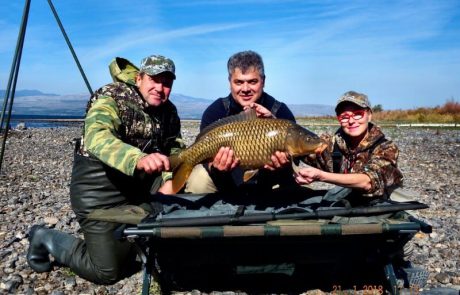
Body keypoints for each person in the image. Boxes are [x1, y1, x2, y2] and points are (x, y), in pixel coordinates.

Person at [26, 55, 185, 284]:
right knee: (106, 272)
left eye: (166, 83)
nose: (160, 88)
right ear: (139, 78)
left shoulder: (168, 111)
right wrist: (137, 159)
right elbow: (97, 136)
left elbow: (175, 148)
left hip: (139, 188)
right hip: (99, 192)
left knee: (189, 188)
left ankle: (142, 236)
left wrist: (171, 179)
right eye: (154, 80)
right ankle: (45, 237)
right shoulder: (111, 96)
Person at [185, 50, 300, 194]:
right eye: (239, 82)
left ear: (263, 81)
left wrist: (284, 163)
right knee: (199, 178)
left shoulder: (280, 111)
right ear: (230, 83)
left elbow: (297, 157)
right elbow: (205, 160)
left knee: (291, 180)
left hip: (268, 184)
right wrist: (214, 165)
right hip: (225, 183)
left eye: (252, 82)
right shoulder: (215, 111)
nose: (245, 89)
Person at [294, 91, 403, 201]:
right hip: (347, 200)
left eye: (358, 114)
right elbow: (299, 147)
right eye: (345, 117)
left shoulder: (386, 148)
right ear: (338, 119)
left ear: (369, 115)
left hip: (382, 201)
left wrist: (321, 176)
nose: (351, 121)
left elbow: (368, 182)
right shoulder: (329, 144)